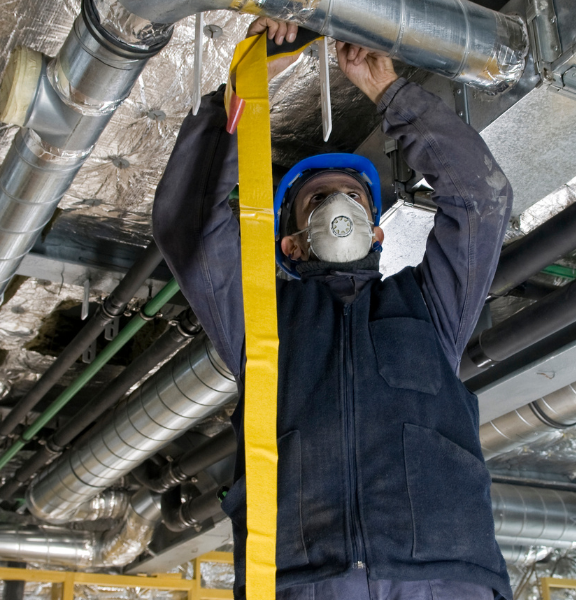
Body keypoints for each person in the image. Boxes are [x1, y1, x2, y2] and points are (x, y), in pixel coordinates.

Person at [152, 16, 514, 600]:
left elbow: (481, 199)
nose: (338, 205)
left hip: (443, 575)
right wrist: (250, 84)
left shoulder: (428, 308)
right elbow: (189, 224)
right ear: (289, 244)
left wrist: (388, 91)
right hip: (302, 578)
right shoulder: (263, 322)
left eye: (351, 197)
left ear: (376, 233)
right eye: (317, 201)